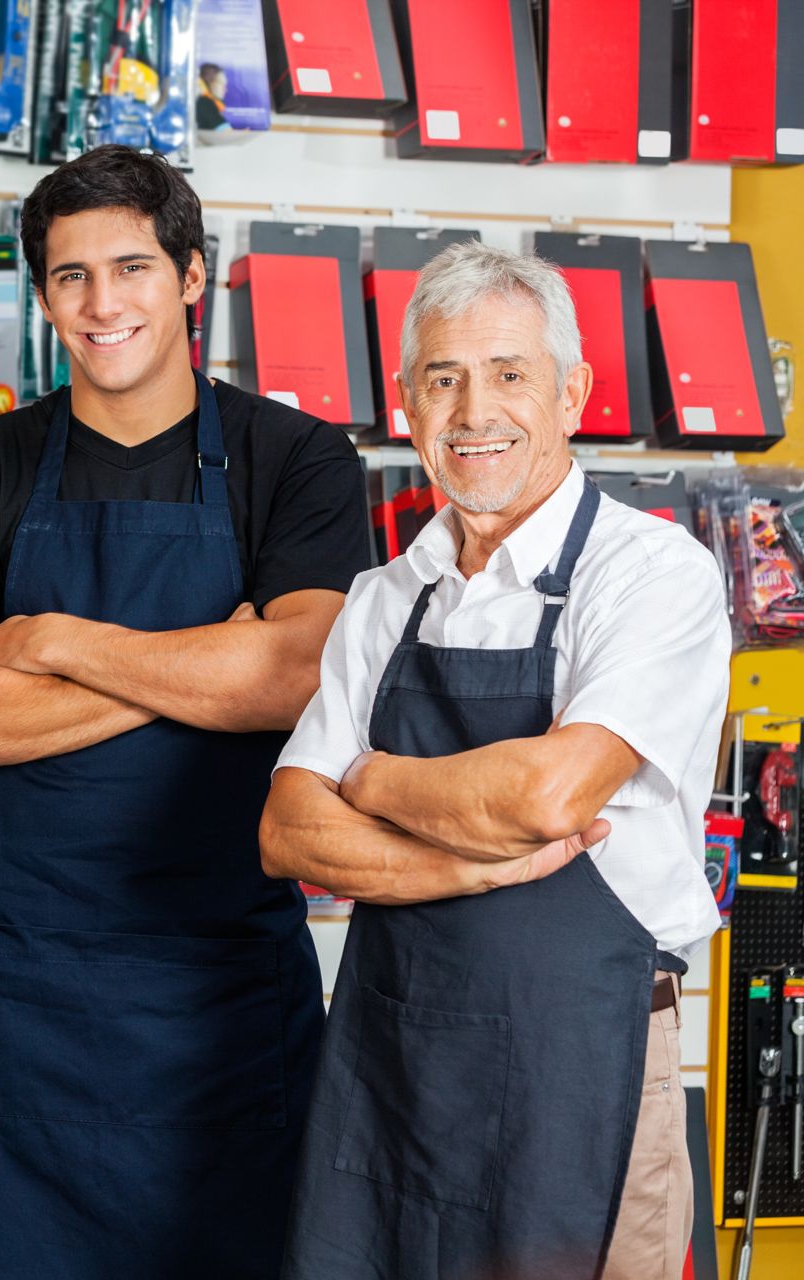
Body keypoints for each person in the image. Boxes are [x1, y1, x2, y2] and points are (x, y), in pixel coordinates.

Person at [0, 145, 371, 1278]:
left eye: (132, 268)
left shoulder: (293, 459)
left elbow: (301, 674)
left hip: (224, 1005)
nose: (102, 305)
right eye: (70, 277)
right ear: (42, 292)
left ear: (193, 276)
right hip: (27, 998)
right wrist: (212, 663)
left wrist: (62, 643)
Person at [264, 242, 730, 1280]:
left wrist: (373, 780)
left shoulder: (654, 573)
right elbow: (289, 827)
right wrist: (473, 859)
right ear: (407, 405)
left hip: (587, 1067)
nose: (475, 411)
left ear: (574, 393)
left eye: (510, 374)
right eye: (444, 377)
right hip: (393, 1073)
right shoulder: (387, 596)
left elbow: (549, 792)